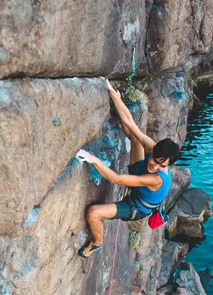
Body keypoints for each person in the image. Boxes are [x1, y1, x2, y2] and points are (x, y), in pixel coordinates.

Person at [75, 77, 180, 258]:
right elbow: (132, 125)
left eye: (161, 165)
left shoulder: (155, 178)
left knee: (94, 213)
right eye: (155, 159)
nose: (154, 165)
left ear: (168, 165)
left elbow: (116, 179)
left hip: (136, 207)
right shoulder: (153, 149)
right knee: (134, 136)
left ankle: (97, 243)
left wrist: (94, 160)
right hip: (140, 183)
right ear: (154, 150)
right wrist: (114, 95)